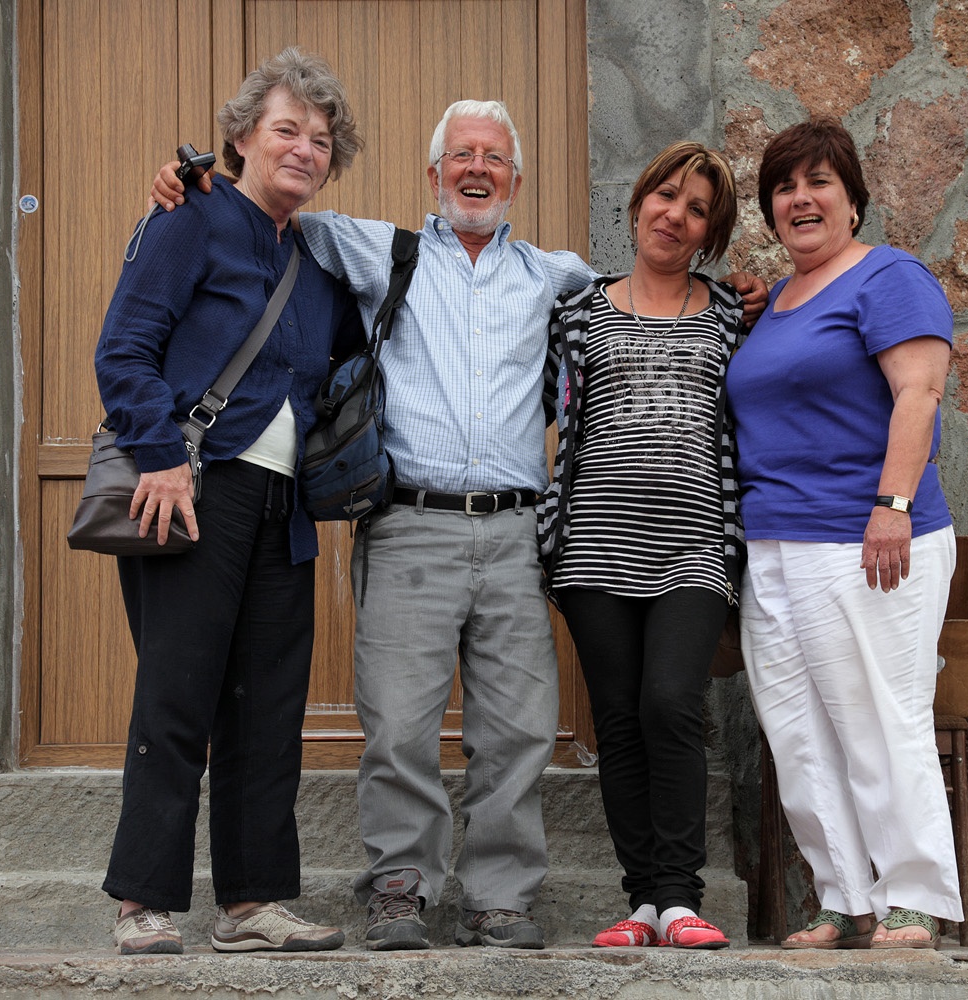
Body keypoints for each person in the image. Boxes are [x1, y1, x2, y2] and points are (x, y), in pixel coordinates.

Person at [150, 101, 766, 952]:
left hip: (517, 537)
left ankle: (499, 899)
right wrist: (202, 185)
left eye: (496, 159)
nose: (478, 170)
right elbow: (271, 204)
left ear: (516, 180)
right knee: (400, 725)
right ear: (434, 174)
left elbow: (657, 304)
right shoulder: (372, 248)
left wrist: (742, 297)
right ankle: (399, 889)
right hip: (409, 526)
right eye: (461, 157)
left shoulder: (561, 279)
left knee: (514, 731)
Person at [96, 48, 365, 956]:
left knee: (267, 707)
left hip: (282, 508)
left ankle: (253, 904)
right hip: (189, 488)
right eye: (286, 129)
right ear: (242, 137)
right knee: (178, 695)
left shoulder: (321, 263)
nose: (303, 148)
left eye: (320, 140)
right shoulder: (191, 216)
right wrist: (158, 455)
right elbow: (124, 349)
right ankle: (144, 902)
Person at [724, 117, 961, 950]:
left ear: (852, 199)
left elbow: (919, 395)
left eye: (818, 182)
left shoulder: (889, 278)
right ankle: (843, 898)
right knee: (797, 731)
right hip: (777, 546)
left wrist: (891, 507)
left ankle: (913, 895)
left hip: (868, 540)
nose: (800, 199)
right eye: (785, 188)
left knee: (878, 715)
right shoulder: (778, 302)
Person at [537, 142, 744, 950]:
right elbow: (545, 416)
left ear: (709, 233)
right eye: (666, 195)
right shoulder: (578, 311)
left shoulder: (731, 312)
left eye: (697, 209)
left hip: (694, 542)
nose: (675, 215)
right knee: (621, 721)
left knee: (671, 703)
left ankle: (683, 896)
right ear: (638, 203)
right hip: (592, 547)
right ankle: (643, 905)